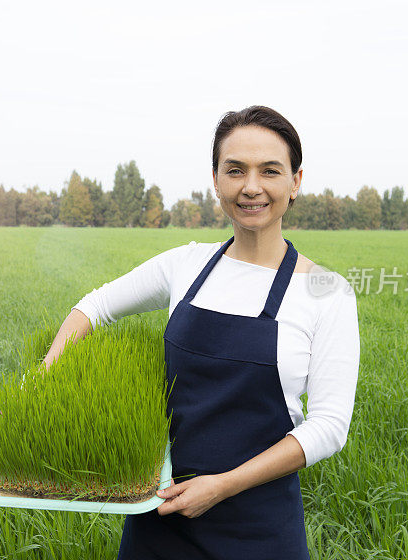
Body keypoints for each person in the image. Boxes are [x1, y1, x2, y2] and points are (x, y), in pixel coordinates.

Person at [41, 105, 360, 559]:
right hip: (161, 514)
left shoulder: (327, 293)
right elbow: (94, 306)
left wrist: (223, 486)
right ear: (216, 180)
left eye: (270, 170)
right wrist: (46, 374)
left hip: (259, 526)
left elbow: (329, 427)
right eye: (235, 170)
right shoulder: (186, 265)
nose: (251, 186)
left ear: (295, 182)